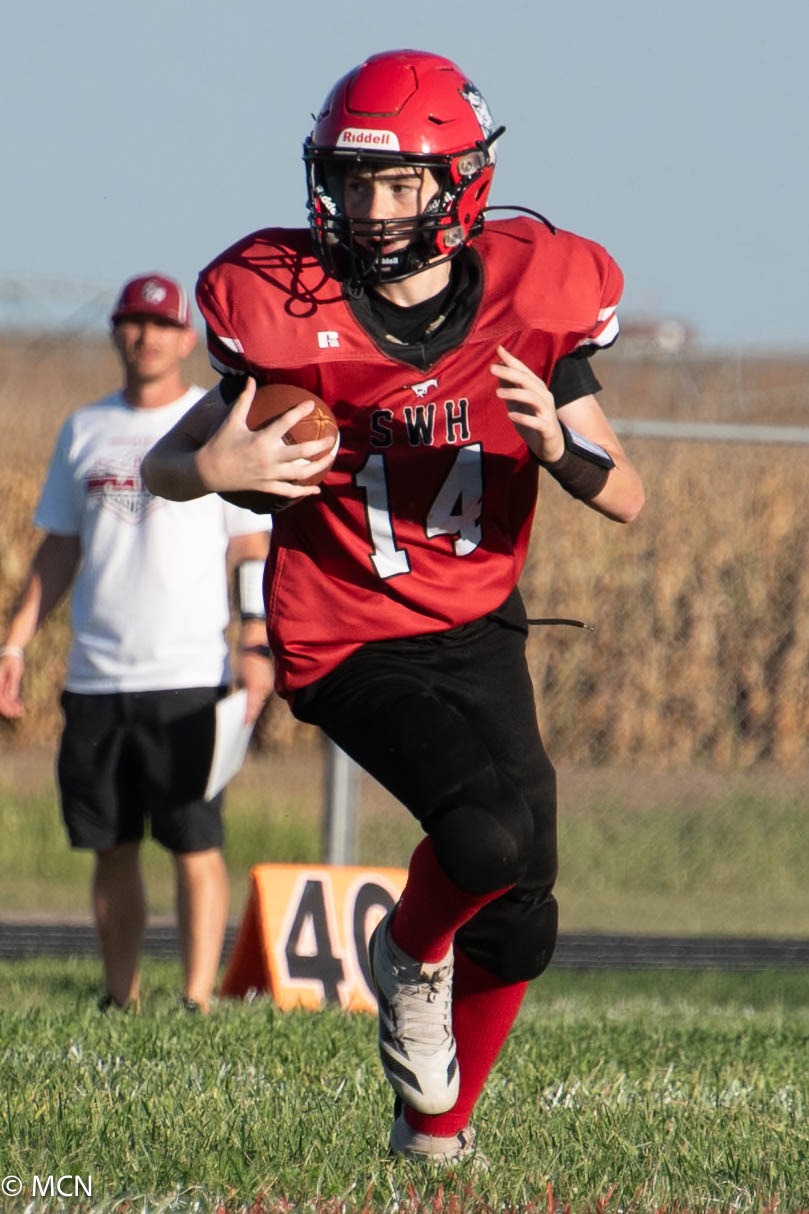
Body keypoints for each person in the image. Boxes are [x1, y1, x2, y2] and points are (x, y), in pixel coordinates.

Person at [143, 50, 645, 1157]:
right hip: (344, 631)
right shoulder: (288, 303)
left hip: (477, 618)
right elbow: (163, 467)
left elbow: (626, 495)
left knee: (524, 901)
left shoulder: (532, 296)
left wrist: (557, 447)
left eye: (396, 182)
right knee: (481, 834)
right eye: (352, 180)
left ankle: (432, 1134)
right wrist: (212, 468)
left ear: (458, 182)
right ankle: (408, 956)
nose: (369, 208)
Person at [0, 273, 274, 1014]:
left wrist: (256, 642)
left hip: (188, 674)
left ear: (187, 340)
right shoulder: (85, 428)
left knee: (194, 841)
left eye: (161, 325)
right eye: (132, 322)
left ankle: (195, 998)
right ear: (117, 333)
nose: (145, 336)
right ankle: (120, 997)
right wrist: (16, 642)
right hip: (97, 677)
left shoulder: (212, 422)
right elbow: (59, 547)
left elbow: (250, 544)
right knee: (110, 844)